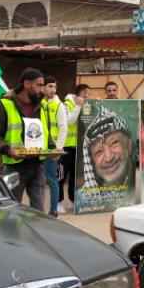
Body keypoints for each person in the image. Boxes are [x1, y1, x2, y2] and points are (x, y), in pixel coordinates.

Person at [0, 68, 50, 210]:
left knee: (38, 210)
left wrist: (52, 150)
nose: (42, 89)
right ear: (27, 84)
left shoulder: (42, 105)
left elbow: (45, 132)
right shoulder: (6, 105)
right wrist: (8, 150)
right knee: (12, 209)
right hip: (15, 166)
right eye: (39, 85)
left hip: (37, 165)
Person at [77, 105, 137, 211]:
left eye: (114, 143)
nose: (108, 158)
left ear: (129, 145)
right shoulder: (83, 199)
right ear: (91, 162)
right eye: (98, 152)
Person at [59, 84, 88, 213]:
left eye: (88, 93)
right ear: (78, 94)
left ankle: (73, 200)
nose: (87, 96)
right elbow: (69, 121)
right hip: (66, 146)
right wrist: (77, 106)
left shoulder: (85, 104)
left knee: (75, 177)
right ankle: (58, 202)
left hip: (78, 146)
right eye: (85, 93)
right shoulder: (66, 104)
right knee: (61, 175)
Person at [43, 76, 68, 218]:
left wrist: (59, 149)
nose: (52, 89)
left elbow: (63, 128)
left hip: (52, 148)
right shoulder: (40, 103)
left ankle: (53, 210)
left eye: (54, 87)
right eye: (49, 86)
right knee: (38, 179)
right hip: (38, 147)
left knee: (52, 179)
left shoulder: (59, 105)